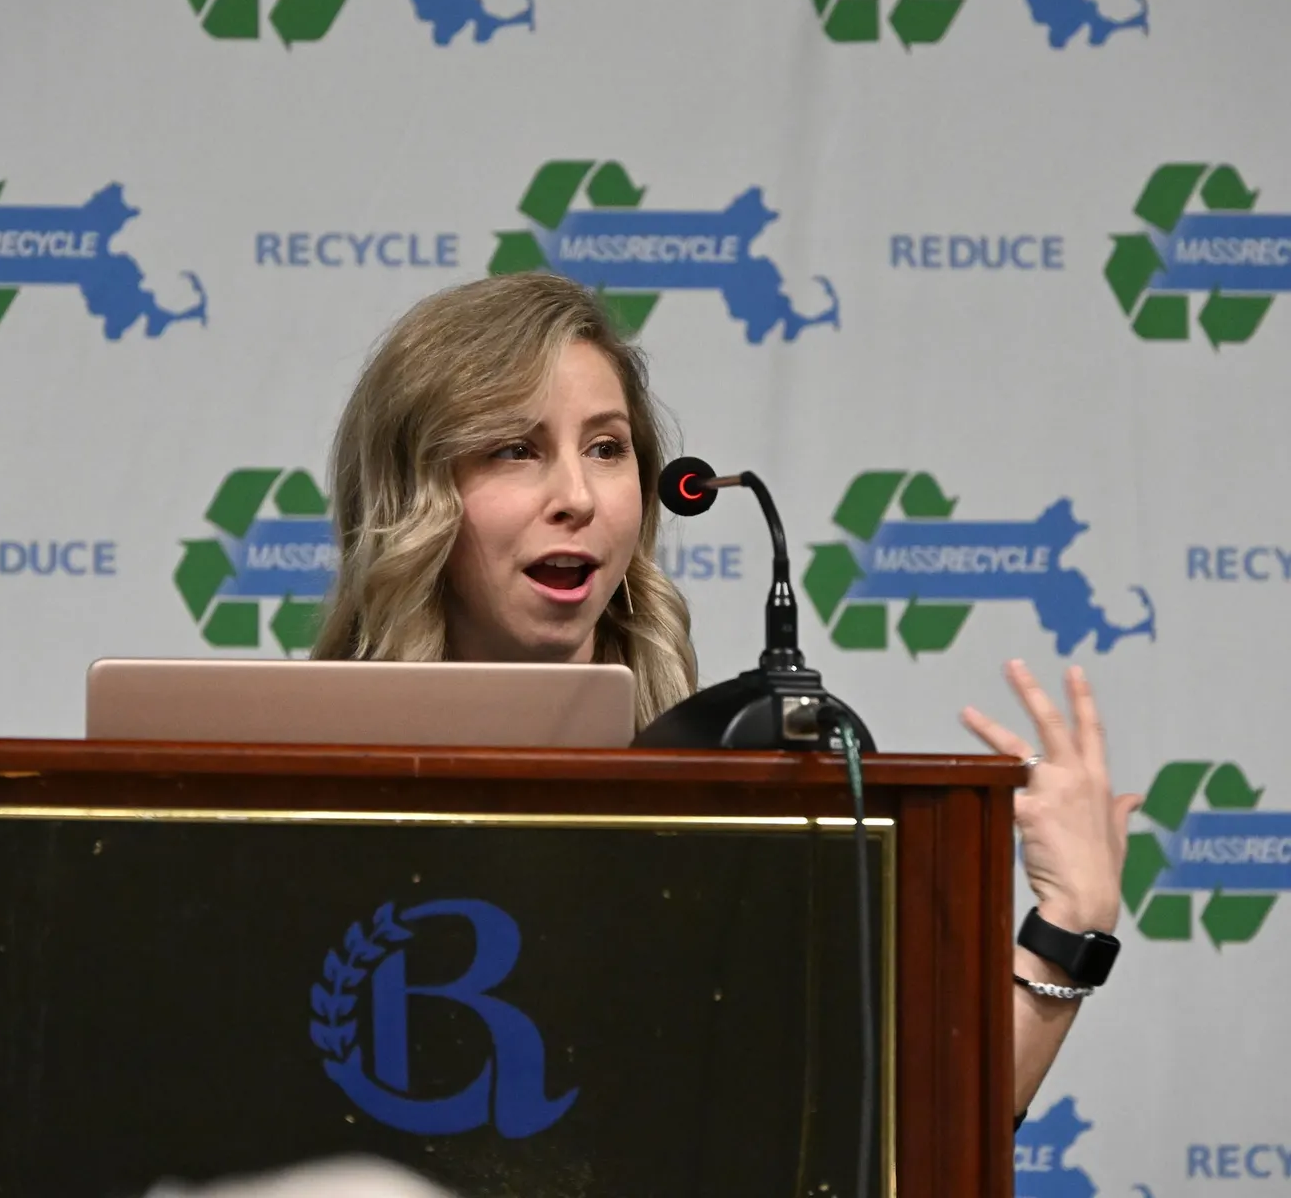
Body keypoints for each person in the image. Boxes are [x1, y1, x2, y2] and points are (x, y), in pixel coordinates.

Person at [311, 270, 1141, 1128]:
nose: (579, 498)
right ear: (413, 494)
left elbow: (887, 1137)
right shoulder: (291, 801)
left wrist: (1068, 928)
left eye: (607, 447)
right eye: (513, 450)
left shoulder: (735, 792)